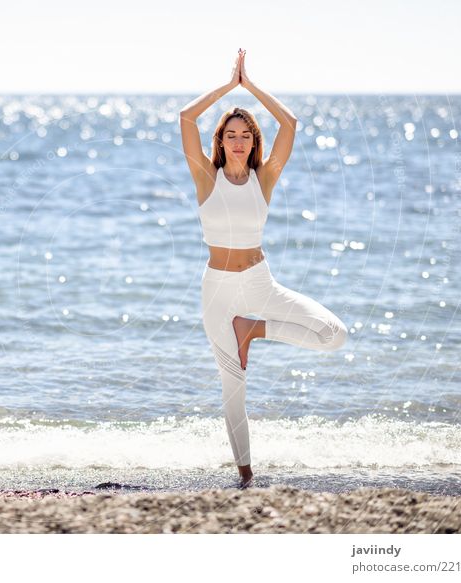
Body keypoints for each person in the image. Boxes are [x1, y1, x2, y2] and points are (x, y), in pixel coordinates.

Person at [179, 49, 348, 488]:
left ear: (254, 142)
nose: (238, 141)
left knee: (334, 335)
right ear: (220, 141)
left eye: (246, 135)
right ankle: (246, 476)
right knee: (232, 387)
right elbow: (185, 117)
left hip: (260, 284)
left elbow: (290, 124)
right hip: (217, 290)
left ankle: (253, 329)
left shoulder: (264, 177)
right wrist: (227, 85)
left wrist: (250, 86)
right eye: (230, 134)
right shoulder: (205, 176)